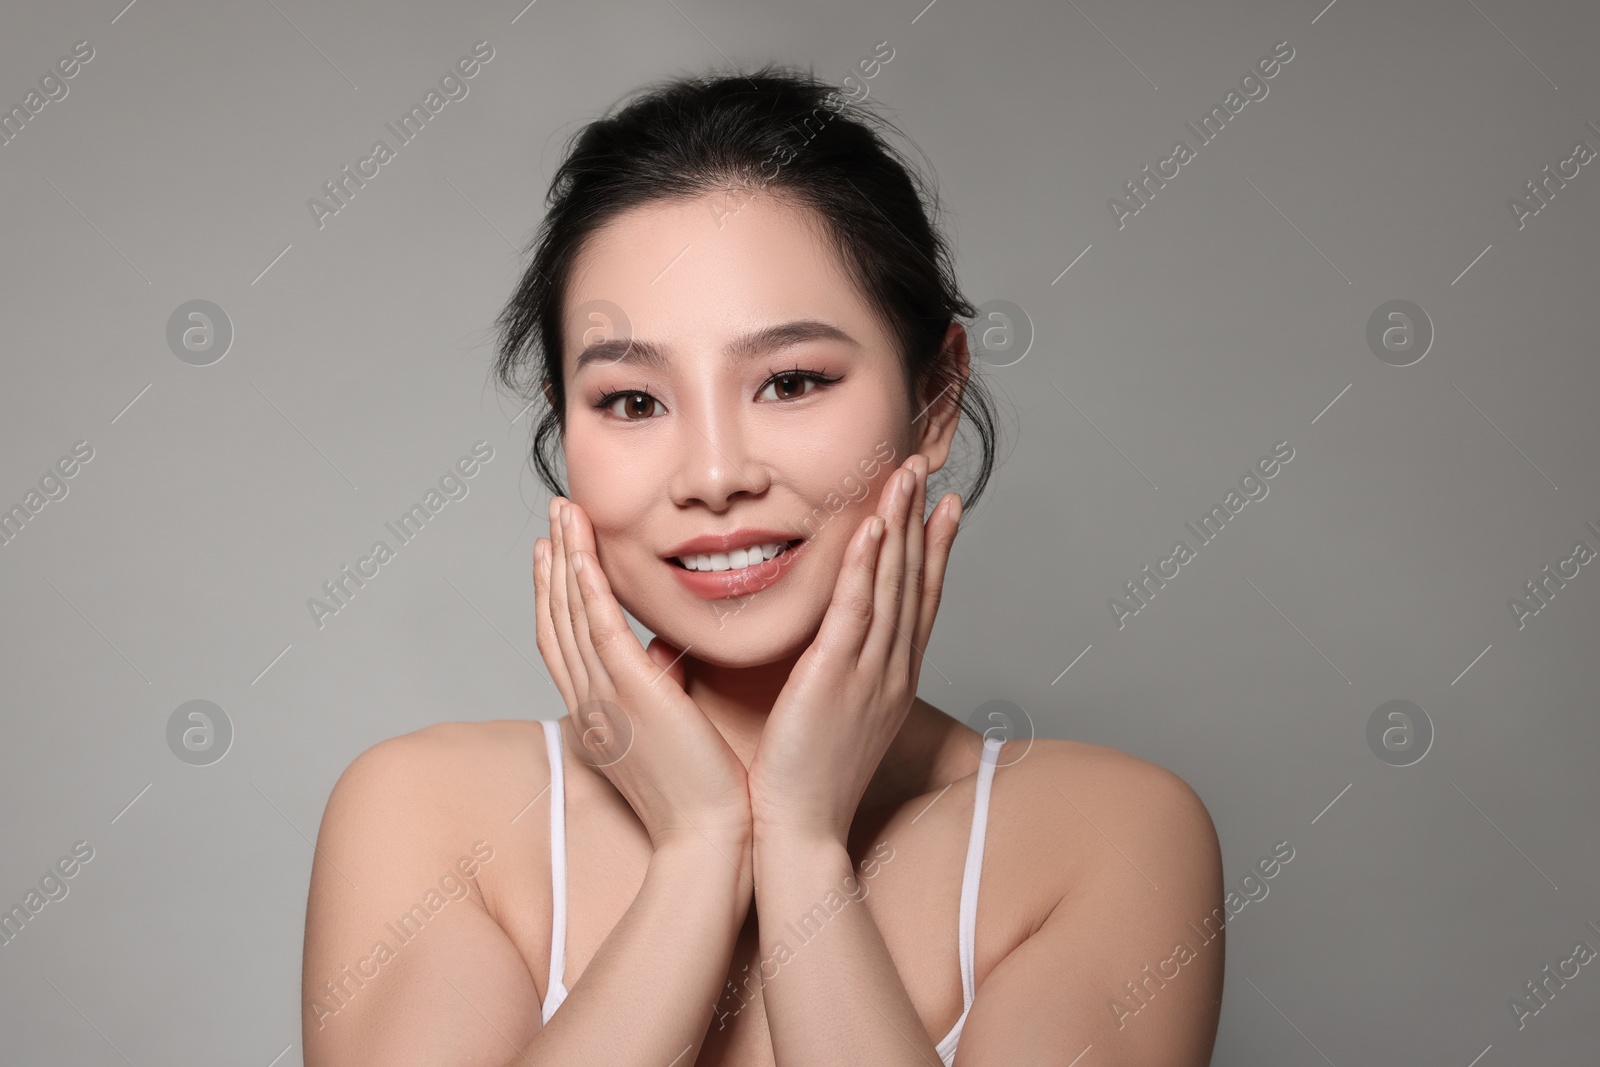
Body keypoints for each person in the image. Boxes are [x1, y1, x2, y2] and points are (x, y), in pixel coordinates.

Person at [302, 65, 1224, 1066]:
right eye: (632, 401)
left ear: (935, 399)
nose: (713, 474)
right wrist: (700, 850)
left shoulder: (1107, 837)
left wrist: (800, 841)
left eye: (790, 381)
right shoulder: (431, 816)